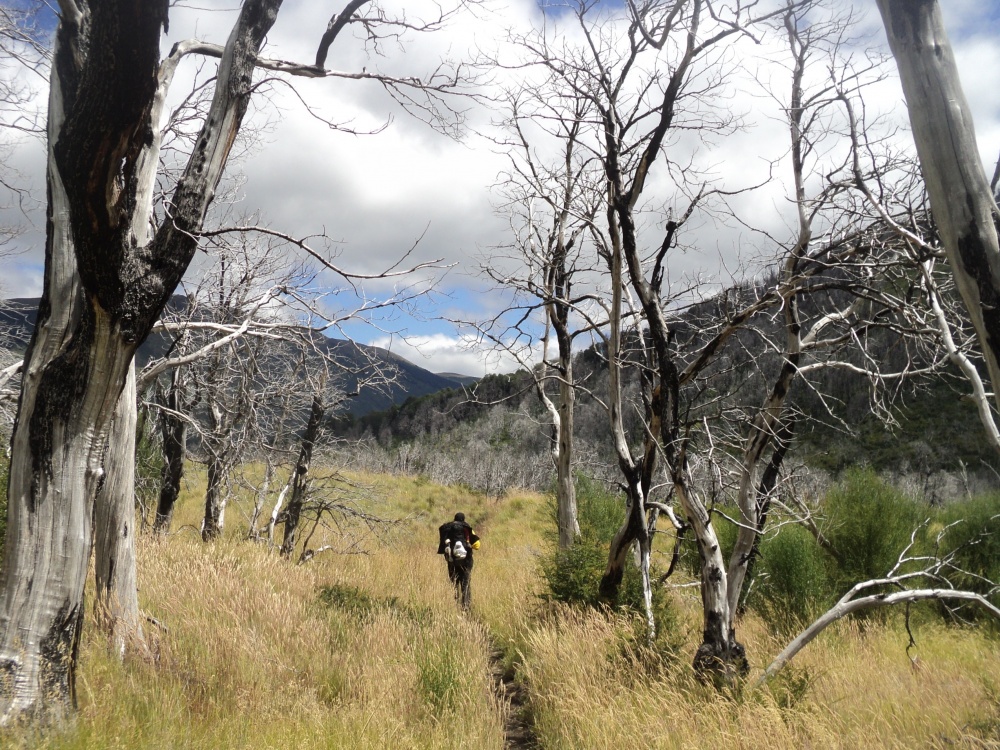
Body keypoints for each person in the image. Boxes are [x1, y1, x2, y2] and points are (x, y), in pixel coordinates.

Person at [437, 512, 480, 609]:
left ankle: (454, 605)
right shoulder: (466, 527)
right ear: (463, 519)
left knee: (454, 583)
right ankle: (466, 606)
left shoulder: (448, 528)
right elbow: (477, 545)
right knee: (465, 583)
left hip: (452, 561)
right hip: (466, 561)